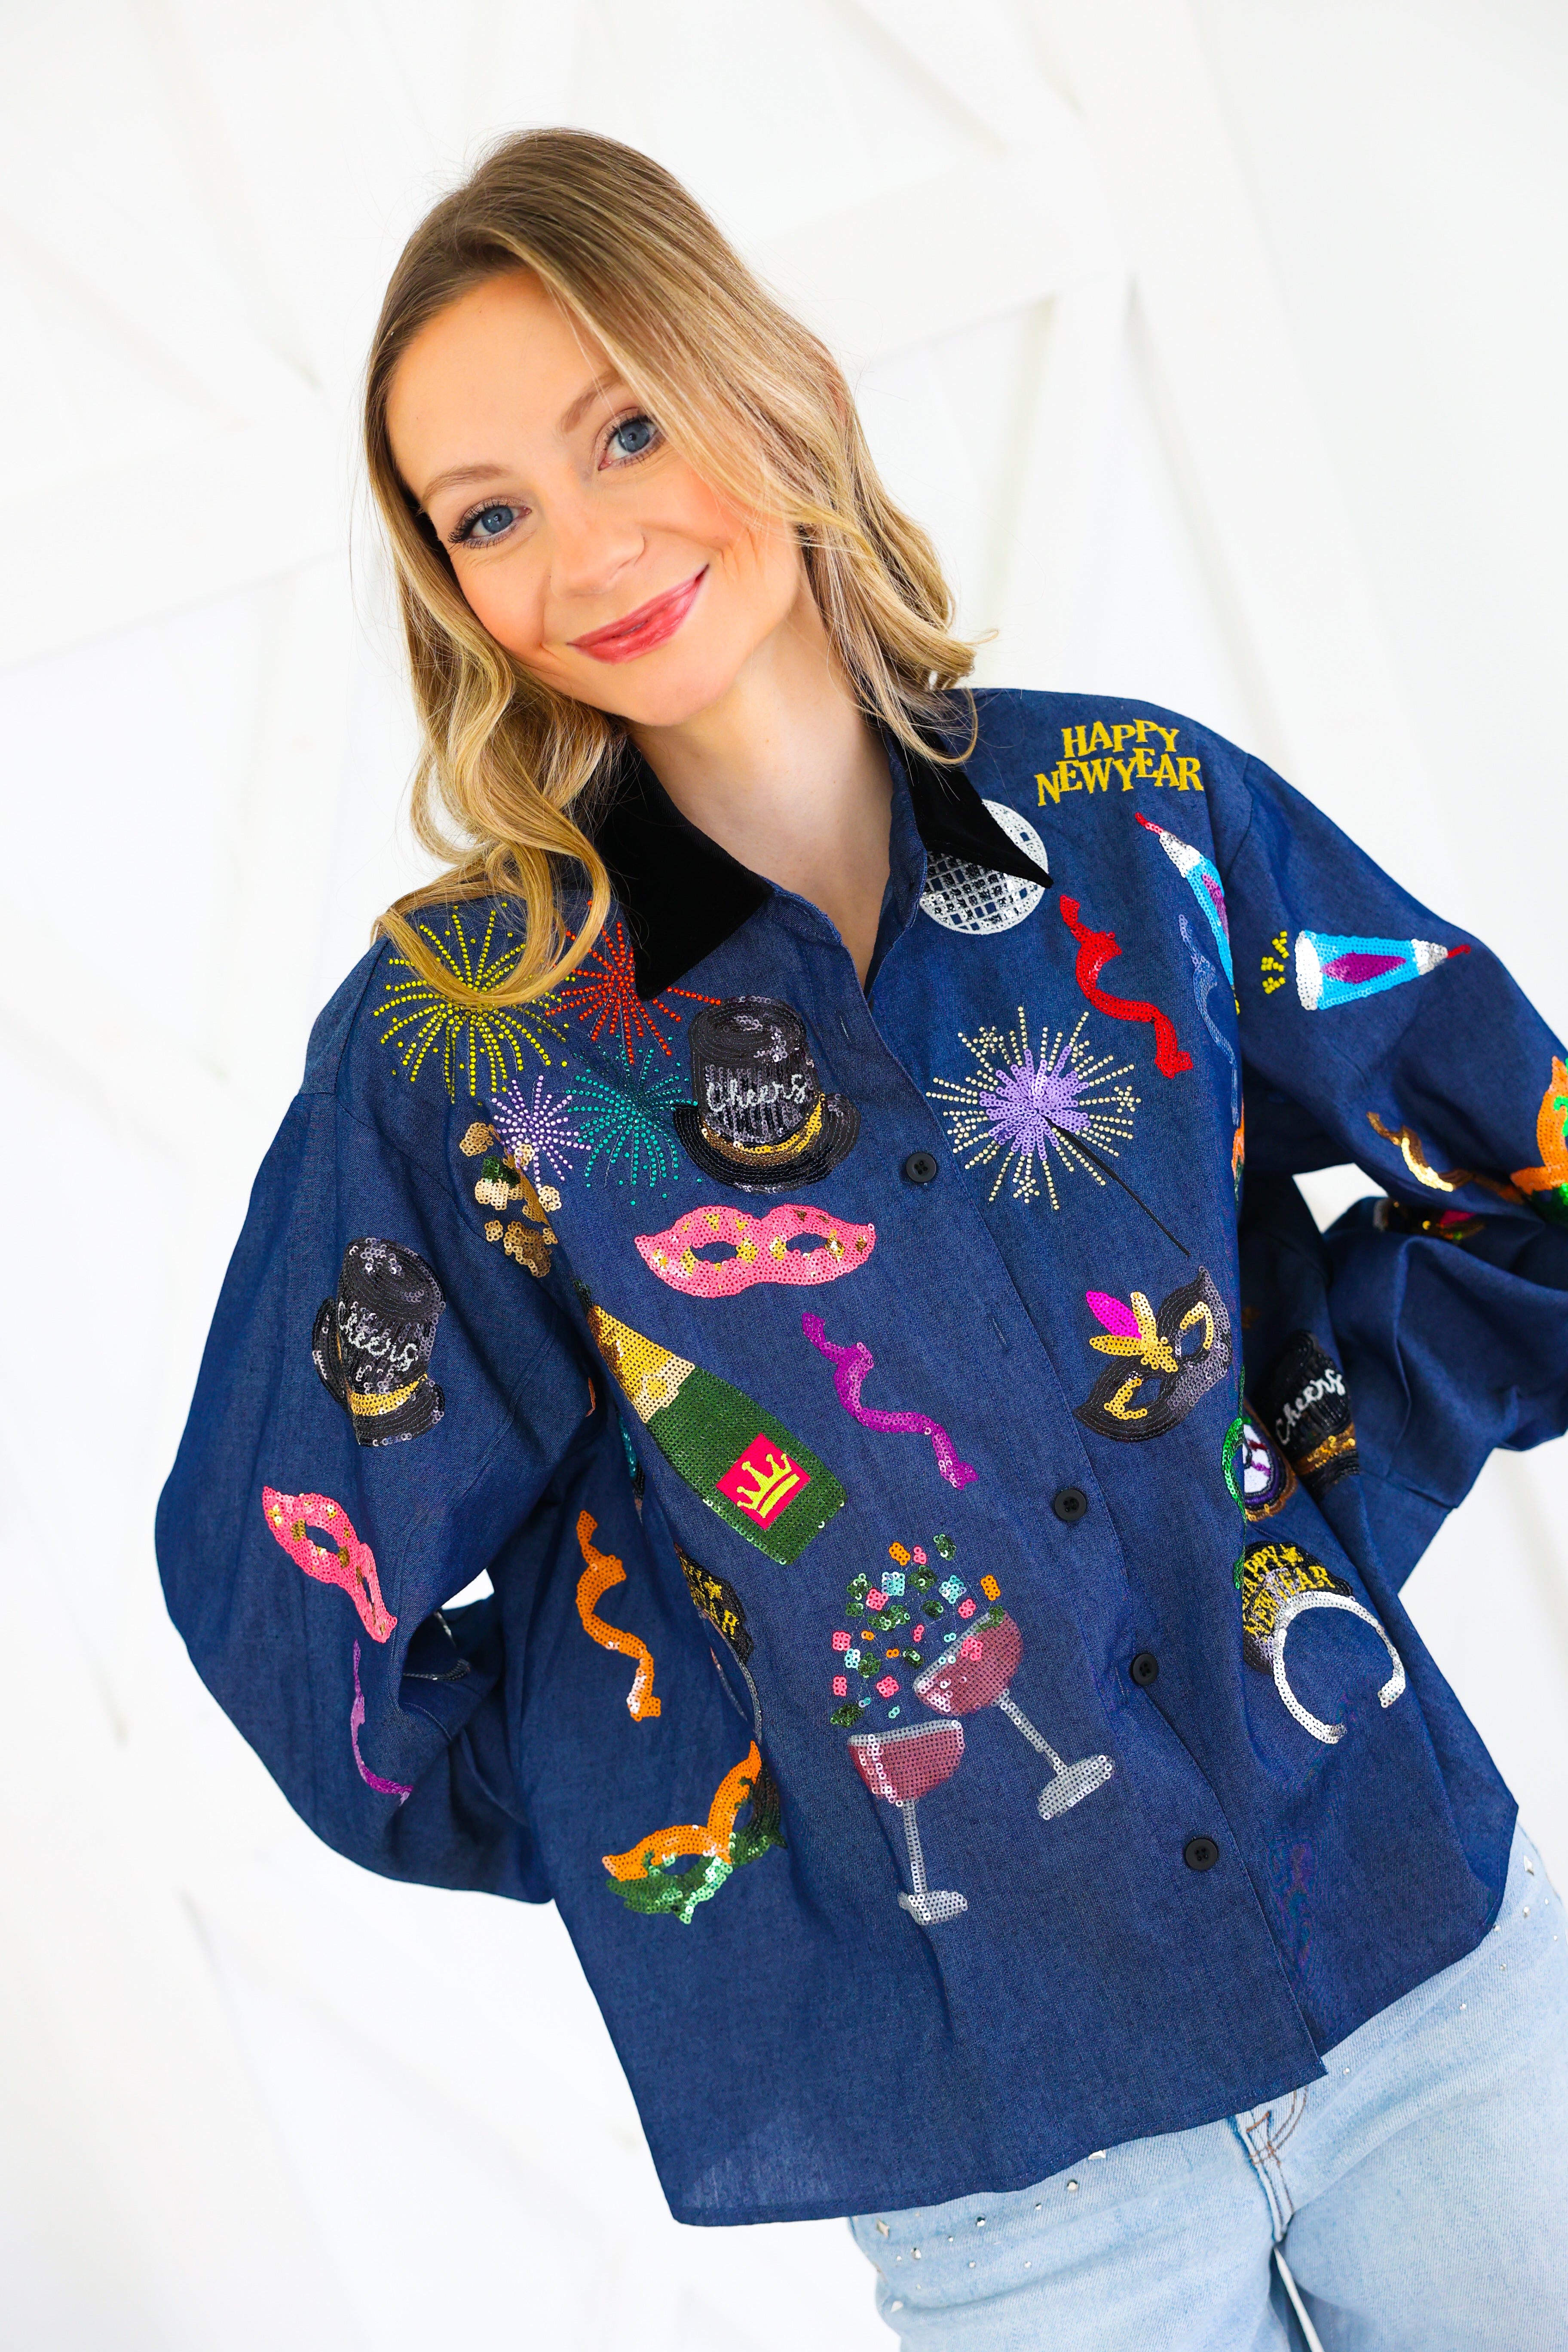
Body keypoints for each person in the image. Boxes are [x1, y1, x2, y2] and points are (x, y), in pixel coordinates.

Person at [157, 129, 1568, 2350]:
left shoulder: (1136, 821)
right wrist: (720, 1774)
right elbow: (287, 1597)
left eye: (627, 427)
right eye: (488, 515)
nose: (589, 547)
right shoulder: (468, 1048)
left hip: (1434, 1990)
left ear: (769, 385)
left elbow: (1531, 1182)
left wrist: (1292, 1488)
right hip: (1014, 2172)